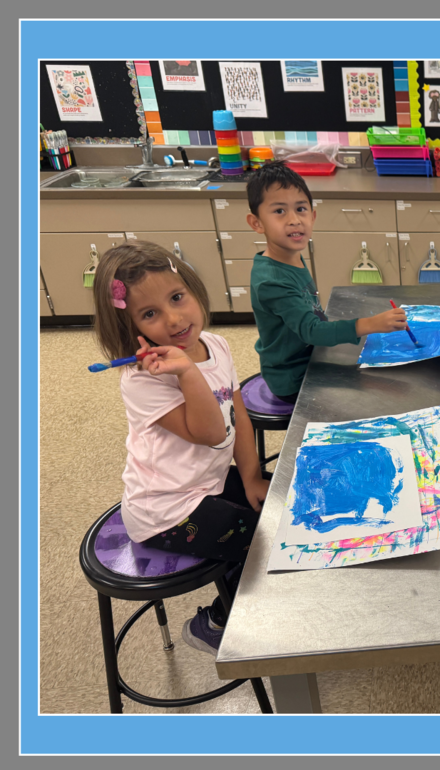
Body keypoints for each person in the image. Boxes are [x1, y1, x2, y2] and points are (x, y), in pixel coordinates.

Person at [92, 240, 271, 655]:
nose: (174, 320)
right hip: (165, 510)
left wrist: (250, 477)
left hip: (204, 484)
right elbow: (209, 432)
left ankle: (254, 598)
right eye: (150, 313)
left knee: (281, 503)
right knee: (259, 540)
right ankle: (215, 623)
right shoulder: (143, 380)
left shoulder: (216, 345)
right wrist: (188, 373)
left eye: (177, 297)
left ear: (192, 288)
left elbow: (237, 414)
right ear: (129, 327)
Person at [246, 162, 407, 402]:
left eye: (300, 209)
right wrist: (372, 323)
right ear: (256, 223)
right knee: (375, 396)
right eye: (279, 211)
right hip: (292, 377)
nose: (294, 220)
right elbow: (312, 331)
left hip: (311, 357)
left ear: (313, 215)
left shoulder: (288, 256)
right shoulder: (272, 281)